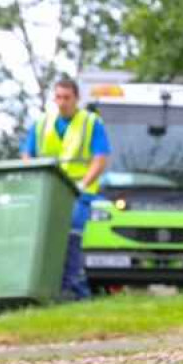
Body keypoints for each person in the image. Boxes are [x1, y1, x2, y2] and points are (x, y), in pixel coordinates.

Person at [21, 76, 111, 300]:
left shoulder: (91, 123)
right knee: (48, 239)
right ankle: (59, 291)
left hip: (79, 193)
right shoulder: (42, 124)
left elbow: (100, 160)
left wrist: (82, 185)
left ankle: (75, 291)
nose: (62, 102)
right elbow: (26, 154)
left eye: (67, 98)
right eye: (58, 97)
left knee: (71, 236)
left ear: (77, 98)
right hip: (50, 193)